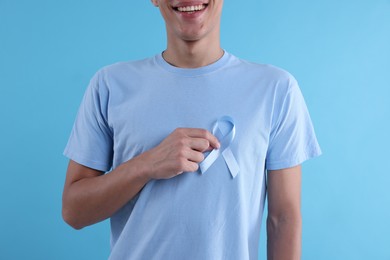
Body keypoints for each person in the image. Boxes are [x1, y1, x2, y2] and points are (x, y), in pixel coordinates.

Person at [62, 0, 321, 259]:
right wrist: (146, 165)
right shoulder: (109, 85)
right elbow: (74, 211)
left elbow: (283, 219)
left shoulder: (276, 90)